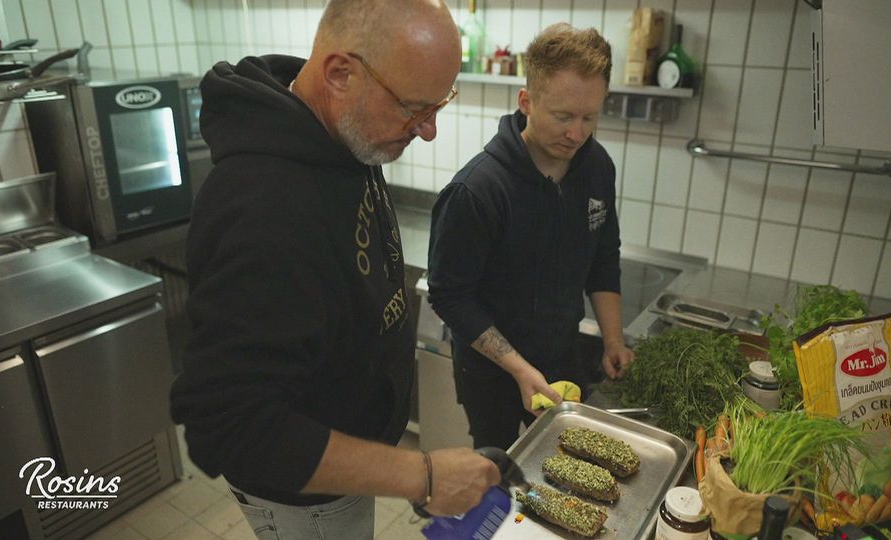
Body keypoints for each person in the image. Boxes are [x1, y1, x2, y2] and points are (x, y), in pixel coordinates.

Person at [169, 1, 500, 538]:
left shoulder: (342, 135)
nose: (430, 130)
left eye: (440, 104)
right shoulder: (261, 205)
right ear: (340, 74)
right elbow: (226, 422)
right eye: (415, 108)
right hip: (305, 496)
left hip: (347, 464)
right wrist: (422, 474)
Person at [427, 23, 635, 451]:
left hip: (563, 355)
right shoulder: (479, 189)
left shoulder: (597, 168)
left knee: (568, 466)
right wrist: (520, 371)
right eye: (563, 116)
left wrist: (614, 339)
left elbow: (603, 258)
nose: (577, 133)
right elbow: (450, 296)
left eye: (589, 117)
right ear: (527, 102)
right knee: (499, 474)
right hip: (493, 371)